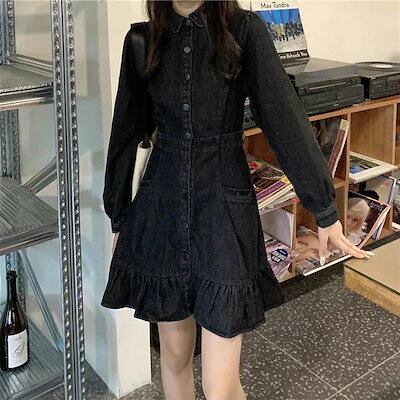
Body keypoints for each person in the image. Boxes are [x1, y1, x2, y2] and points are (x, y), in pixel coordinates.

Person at [101, 1, 371, 399]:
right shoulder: (143, 39)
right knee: (174, 357)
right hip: (161, 208)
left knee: (221, 385)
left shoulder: (244, 31)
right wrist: (119, 215)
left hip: (223, 211)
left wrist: (325, 210)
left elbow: (282, 117)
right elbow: (126, 130)